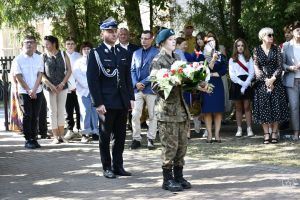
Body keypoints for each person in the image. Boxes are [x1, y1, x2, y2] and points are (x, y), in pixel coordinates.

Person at [87, 18, 134, 179]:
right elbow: (92, 80)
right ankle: (107, 167)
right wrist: (98, 102)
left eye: (115, 31)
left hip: (121, 101)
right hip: (106, 103)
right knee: (105, 136)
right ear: (103, 34)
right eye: (110, 32)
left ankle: (118, 166)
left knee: (121, 136)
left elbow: (127, 78)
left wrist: (131, 98)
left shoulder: (123, 52)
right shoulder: (96, 53)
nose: (114, 34)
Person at [150, 29, 191, 192]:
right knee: (170, 147)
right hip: (167, 111)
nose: (174, 41)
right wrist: (171, 80)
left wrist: (194, 83)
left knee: (182, 146)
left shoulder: (178, 58)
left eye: (175, 39)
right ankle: (167, 180)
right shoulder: (158, 60)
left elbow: (185, 82)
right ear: (162, 42)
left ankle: (178, 176)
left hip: (181, 109)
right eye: (170, 39)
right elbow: (154, 86)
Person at [252, 27, 289, 144]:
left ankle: (274, 132)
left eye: (272, 35)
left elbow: (280, 66)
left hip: (276, 82)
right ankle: (266, 133)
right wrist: (266, 81)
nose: (271, 37)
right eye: (269, 35)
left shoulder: (277, 49)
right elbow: (256, 66)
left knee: (276, 107)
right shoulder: (256, 50)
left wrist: (272, 79)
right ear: (262, 36)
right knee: (264, 108)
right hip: (262, 83)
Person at [13, 35, 44, 149]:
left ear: (35, 45)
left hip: (37, 91)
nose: (29, 44)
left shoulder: (39, 58)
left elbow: (40, 74)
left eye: (31, 42)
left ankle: (34, 138)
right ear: (22, 45)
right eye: (27, 42)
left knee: (35, 115)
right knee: (28, 115)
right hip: (24, 92)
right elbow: (18, 76)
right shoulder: (18, 59)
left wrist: (34, 90)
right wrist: (29, 90)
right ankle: (28, 139)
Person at [130, 30, 159, 150]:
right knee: (135, 114)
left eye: (146, 38)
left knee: (152, 115)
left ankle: (151, 139)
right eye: (142, 38)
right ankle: (136, 138)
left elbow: (156, 71)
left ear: (152, 39)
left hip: (151, 88)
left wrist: (143, 82)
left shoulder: (157, 52)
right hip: (138, 89)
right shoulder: (136, 53)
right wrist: (136, 83)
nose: (143, 40)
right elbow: (132, 70)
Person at [42, 35, 72, 144]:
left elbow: (69, 70)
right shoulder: (43, 56)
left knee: (61, 111)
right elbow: (41, 74)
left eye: (47, 44)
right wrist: (50, 85)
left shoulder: (64, 54)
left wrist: (62, 83)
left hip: (62, 87)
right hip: (49, 88)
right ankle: (55, 137)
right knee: (52, 111)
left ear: (54, 44)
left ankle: (61, 136)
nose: (45, 46)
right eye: (44, 44)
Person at [202, 33, 227, 143]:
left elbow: (224, 68)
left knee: (218, 110)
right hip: (207, 83)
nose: (211, 43)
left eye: (213, 41)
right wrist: (212, 59)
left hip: (217, 83)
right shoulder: (204, 55)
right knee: (207, 110)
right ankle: (209, 134)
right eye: (208, 41)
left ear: (216, 42)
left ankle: (217, 134)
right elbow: (206, 69)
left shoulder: (220, 54)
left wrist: (218, 73)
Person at [73, 41, 99, 143]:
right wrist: (89, 85)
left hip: (95, 91)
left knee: (95, 111)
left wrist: (94, 86)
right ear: (81, 50)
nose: (87, 51)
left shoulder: (96, 61)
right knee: (85, 111)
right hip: (83, 91)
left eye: (89, 49)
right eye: (85, 49)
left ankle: (95, 132)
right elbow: (77, 75)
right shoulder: (78, 62)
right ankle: (85, 133)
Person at [229, 38, 255, 137]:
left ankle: (249, 128)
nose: (240, 47)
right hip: (237, 84)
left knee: (247, 107)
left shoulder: (249, 58)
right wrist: (242, 84)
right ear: (235, 47)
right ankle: (239, 128)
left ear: (245, 47)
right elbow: (232, 75)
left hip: (247, 82)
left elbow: (252, 73)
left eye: (242, 45)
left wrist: (246, 84)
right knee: (238, 108)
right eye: (238, 46)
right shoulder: (232, 59)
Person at [116, 27, 139, 132]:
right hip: (120, 79)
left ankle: (132, 124)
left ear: (129, 35)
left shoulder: (136, 48)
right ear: (118, 36)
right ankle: (122, 123)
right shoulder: (114, 48)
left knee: (133, 101)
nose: (123, 36)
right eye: (121, 34)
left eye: (125, 34)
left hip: (133, 78)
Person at [282, 21, 300, 141]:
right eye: (298, 30)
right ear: (293, 32)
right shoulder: (286, 46)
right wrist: (289, 67)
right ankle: (296, 132)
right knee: (294, 107)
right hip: (291, 80)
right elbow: (281, 63)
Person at [63, 37, 81, 141]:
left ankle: (79, 129)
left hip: (78, 88)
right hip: (67, 88)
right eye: (68, 43)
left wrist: (76, 85)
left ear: (75, 45)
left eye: (72, 43)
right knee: (68, 110)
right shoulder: (62, 56)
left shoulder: (79, 56)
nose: (70, 45)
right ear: (65, 45)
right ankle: (70, 130)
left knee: (79, 110)